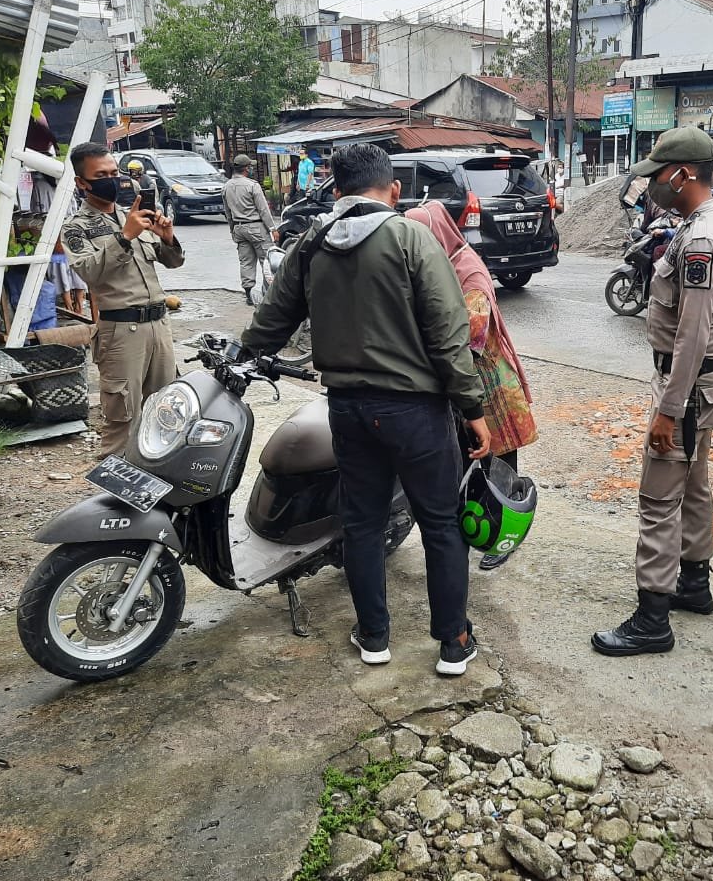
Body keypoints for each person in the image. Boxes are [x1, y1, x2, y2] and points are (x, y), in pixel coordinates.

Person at [240, 143, 492, 677]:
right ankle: (453, 642)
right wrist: (473, 407)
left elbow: (273, 317)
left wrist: (244, 354)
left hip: (348, 409)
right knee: (441, 524)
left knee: (362, 522)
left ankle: (374, 636)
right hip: (414, 411)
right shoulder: (410, 237)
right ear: (393, 190)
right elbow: (449, 336)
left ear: (335, 189)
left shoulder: (312, 242)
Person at [591, 127, 713, 658]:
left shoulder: (699, 240)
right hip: (701, 385)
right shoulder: (705, 223)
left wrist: (667, 413)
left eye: (658, 175)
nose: (651, 184)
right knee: (695, 483)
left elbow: (692, 336)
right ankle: (693, 585)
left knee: (658, 497)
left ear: (684, 174)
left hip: (687, 387)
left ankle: (652, 618)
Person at [404, 200, 538, 571]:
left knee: (500, 463)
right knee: (470, 461)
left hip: (489, 384)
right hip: (463, 380)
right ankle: (476, 525)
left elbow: (470, 336)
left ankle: (504, 535)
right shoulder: (440, 268)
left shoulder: (470, 273)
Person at [60, 142, 184, 457]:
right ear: (82, 183)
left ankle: (160, 486)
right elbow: (89, 272)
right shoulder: (77, 229)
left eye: (115, 172)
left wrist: (167, 238)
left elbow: (172, 261)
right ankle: (114, 497)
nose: (113, 180)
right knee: (122, 418)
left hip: (159, 326)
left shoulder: (134, 215)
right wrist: (124, 236)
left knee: (166, 412)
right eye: (101, 175)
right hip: (121, 333)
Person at [224, 154, 280, 306]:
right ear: (246, 169)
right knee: (266, 261)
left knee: (246, 262)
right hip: (256, 227)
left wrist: (233, 230)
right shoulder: (252, 185)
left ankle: (249, 294)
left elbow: (227, 212)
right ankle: (269, 294)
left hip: (239, 227)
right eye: (250, 167)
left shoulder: (226, 186)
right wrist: (273, 229)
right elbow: (263, 210)